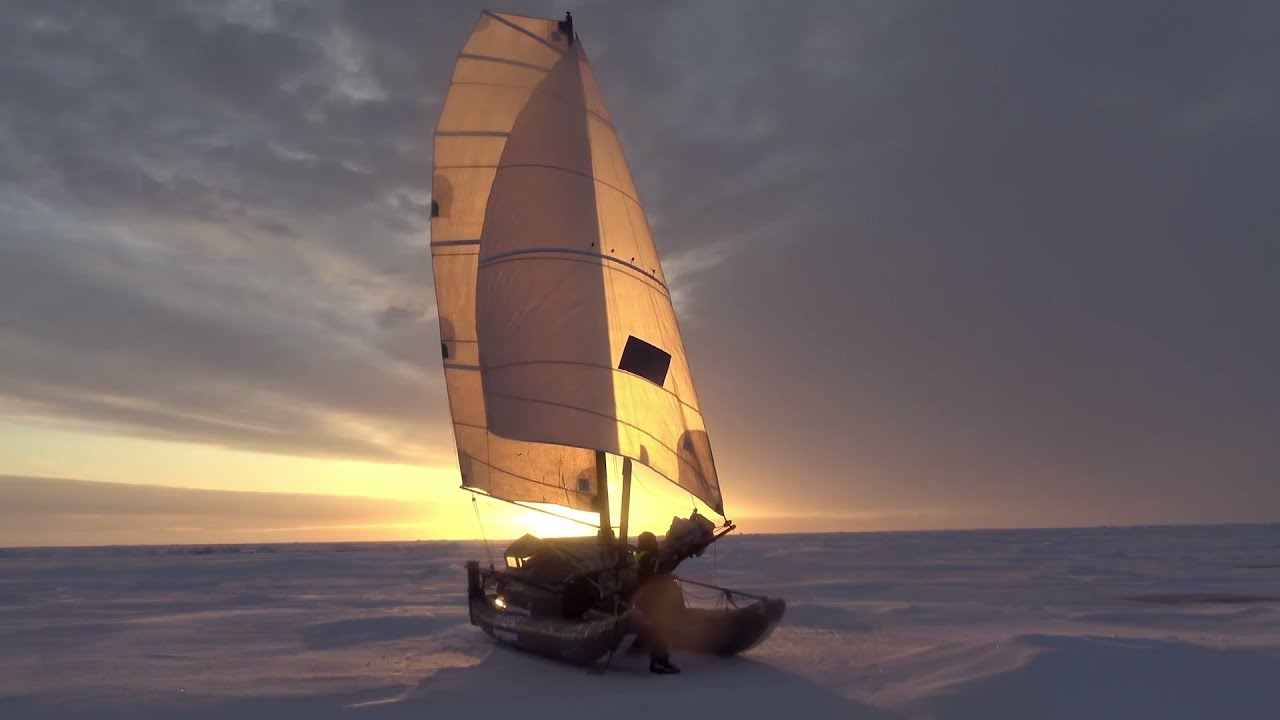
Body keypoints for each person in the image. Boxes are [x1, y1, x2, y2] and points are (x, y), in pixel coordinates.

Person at [631, 531, 683, 674]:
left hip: (645, 599)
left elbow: (652, 575)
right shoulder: (649, 558)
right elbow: (660, 569)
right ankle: (660, 663)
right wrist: (676, 556)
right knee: (662, 629)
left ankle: (658, 661)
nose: (656, 544)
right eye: (653, 541)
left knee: (657, 629)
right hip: (653, 600)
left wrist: (668, 577)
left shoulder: (640, 557)